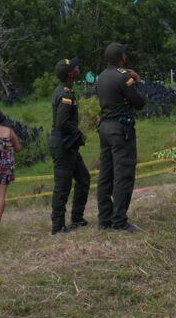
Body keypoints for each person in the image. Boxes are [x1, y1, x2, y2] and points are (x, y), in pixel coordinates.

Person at [95, 43, 146, 232]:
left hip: (105, 128)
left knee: (105, 175)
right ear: (122, 57)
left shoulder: (100, 77)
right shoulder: (123, 78)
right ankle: (119, 221)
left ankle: (104, 220)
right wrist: (138, 81)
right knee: (123, 174)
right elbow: (139, 102)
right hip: (120, 129)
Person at [50, 58, 90, 234]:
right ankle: (58, 225)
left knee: (83, 179)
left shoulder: (67, 91)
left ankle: (76, 218)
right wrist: (79, 133)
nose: (78, 67)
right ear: (70, 74)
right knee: (63, 186)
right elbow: (62, 123)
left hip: (69, 145)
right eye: (75, 67)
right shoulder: (65, 94)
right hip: (63, 145)